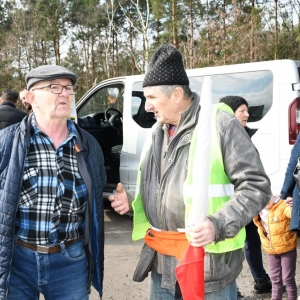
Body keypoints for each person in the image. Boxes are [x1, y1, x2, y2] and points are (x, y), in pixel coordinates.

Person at [108, 44, 272, 300]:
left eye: (151, 97)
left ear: (176, 94)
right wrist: (130, 200)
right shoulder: (157, 132)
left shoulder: (220, 124)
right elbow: (161, 186)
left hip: (207, 269)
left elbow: (256, 187)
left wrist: (217, 224)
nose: (147, 106)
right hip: (162, 266)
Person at [0, 65, 107, 300]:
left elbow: (98, 191)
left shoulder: (89, 146)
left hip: (71, 262)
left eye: (69, 88)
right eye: (54, 87)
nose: (65, 93)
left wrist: (119, 199)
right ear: (30, 98)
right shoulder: (6, 142)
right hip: (18, 261)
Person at [219, 96, 272, 295]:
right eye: (242, 110)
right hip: (230, 204)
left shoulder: (242, 134)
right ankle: (233, 286)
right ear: (230, 113)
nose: (247, 115)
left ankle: (259, 280)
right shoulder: (224, 136)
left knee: (252, 241)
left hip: (244, 201)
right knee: (232, 246)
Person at [253, 195, 298, 300]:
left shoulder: (282, 205)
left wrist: (294, 205)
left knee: (288, 278)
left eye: (267, 196)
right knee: (275, 279)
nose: (266, 201)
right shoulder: (259, 211)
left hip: (287, 248)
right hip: (271, 251)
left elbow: (292, 214)